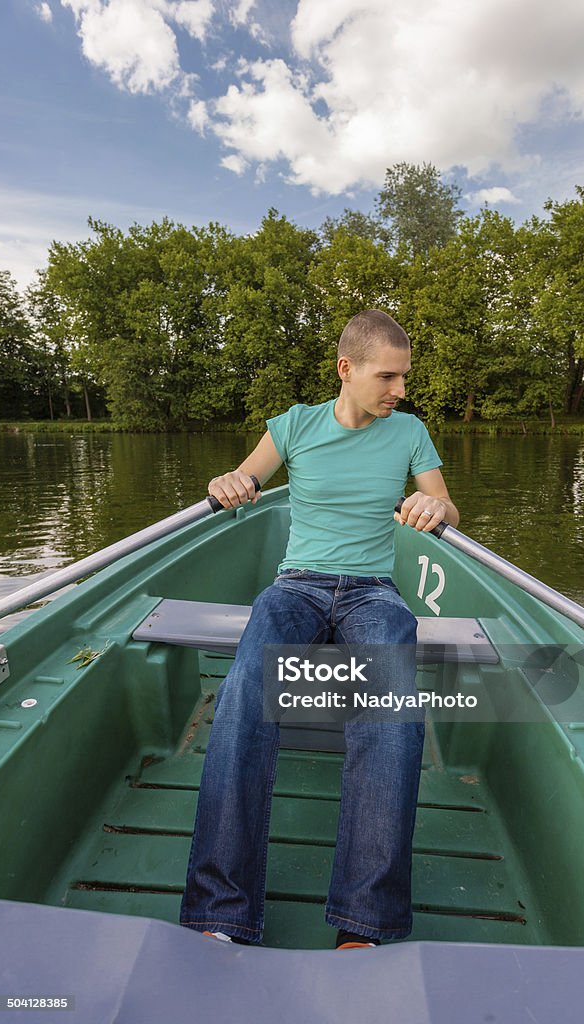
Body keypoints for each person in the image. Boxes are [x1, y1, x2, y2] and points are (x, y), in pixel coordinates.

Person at [179, 310, 459, 949]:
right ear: (347, 369)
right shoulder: (295, 424)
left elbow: (448, 506)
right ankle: (221, 912)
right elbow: (247, 478)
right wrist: (232, 482)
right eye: (388, 376)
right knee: (246, 696)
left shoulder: (410, 431)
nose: (401, 390)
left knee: (393, 710)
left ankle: (367, 922)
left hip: (373, 593)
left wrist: (433, 505)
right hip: (296, 585)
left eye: (404, 376)